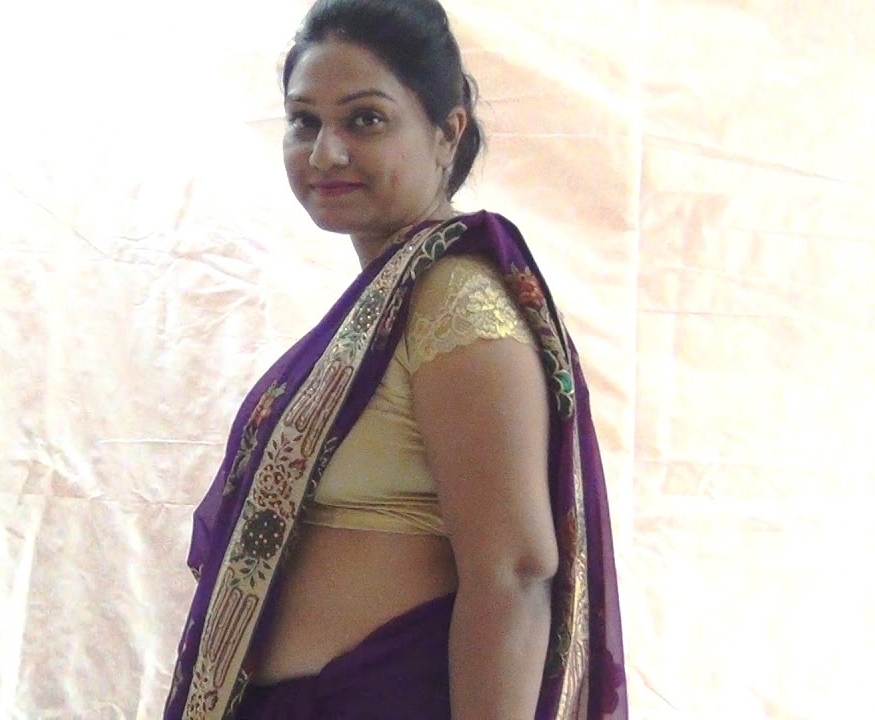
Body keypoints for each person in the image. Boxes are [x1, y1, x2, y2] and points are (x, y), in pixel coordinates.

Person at [164, 0, 626, 717]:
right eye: (304, 121)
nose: (326, 153)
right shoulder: (388, 306)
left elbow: (514, 573)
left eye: (365, 120)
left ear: (447, 133)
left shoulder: (457, 304)